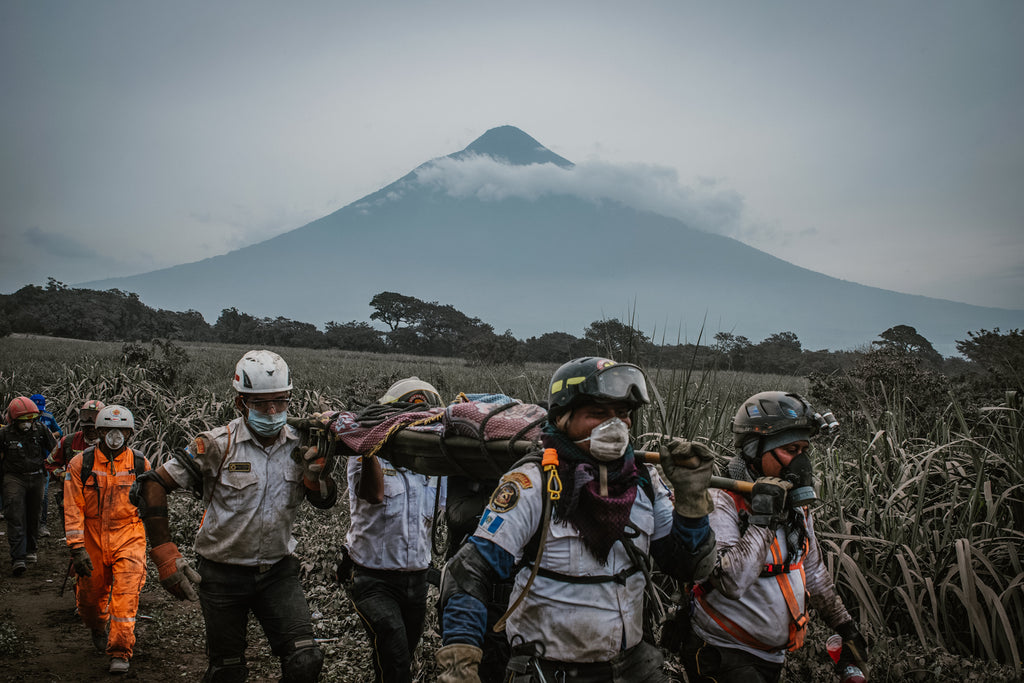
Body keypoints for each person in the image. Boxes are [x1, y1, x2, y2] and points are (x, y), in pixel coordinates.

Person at [435, 357, 717, 683]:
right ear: (563, 418)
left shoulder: (644, 481)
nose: (616, 426)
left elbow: (686, 565)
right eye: (598, 414)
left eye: (623, 414)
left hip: (631, 667)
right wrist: (460, 666)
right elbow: (467, 574)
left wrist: (692, 502)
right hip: (549, 671)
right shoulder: (533, 482)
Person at [134, 349, 337, 682]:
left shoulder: (300, 444)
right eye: (260, 404)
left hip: (277, 571)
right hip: (222, 573)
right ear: (241, 403)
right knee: (227, 670)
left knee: (305, 659)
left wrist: (316, 478)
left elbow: (325, 501)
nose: (272, 411)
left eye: (279, 402)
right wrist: (164, 555)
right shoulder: (218, 444)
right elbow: (154, 483)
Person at [679, 391, 869, 683]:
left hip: (771, 657)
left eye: (804, 451)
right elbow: (731, 582)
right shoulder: (721, 500)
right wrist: (763, 519)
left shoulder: (795, 507)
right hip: (723, 652)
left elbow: (813, 570)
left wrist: (845, 627)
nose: (800, 462)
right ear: (756, 449)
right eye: (791, 450)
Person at [344, 377, 447, 683]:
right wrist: (371, 446)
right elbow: (374, 494)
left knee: (396, 660)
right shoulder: (364, 455)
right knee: (394, 647)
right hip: (372, 578)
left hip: (416, 580)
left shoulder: (433, 468)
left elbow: (449, 507)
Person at [64, 404, 150, 674]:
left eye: (122, 430)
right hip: (92, 537)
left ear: (129, 433)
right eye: (110, 430)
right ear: (100, 432)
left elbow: (151, 504)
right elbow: (72, 507)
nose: (116, 435)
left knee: (125, 596)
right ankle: (97, 626)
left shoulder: (139, 463)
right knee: (90, 600)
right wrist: (77, 549)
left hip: (129, 534)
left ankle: (120, 652)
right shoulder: (81, 464)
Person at [1, 396, 57, 576]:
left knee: (34, 515)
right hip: (13, 477)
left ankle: (31, 549)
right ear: (14, 419)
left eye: (29, 420)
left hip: (37, 476)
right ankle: (18, 557)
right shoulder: (4, 434)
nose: (26, 424)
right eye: (22, 421)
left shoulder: (41, 430)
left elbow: (55, 450)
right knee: (15, 515)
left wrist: (53, 468)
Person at [46, 399, 106, 539]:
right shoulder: (68, 441)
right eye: (87, 428)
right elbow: (49, 463)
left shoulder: (110, 445)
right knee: (76, 541)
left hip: (100, 502)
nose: (90, 431)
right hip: (72, 500)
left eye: (94, 428)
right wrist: (62, 474)